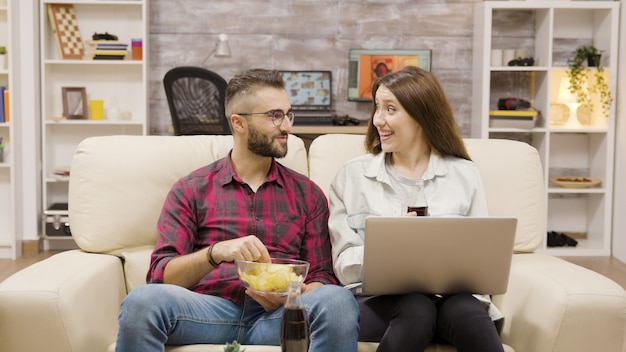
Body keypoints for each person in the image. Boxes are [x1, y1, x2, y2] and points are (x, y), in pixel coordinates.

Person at [116, 68, 359, 352]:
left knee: (338, 301)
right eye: (274, 116)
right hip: (208, 313)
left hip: (280, 317)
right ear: (239, 123)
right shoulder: (192, 189)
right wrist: (216, 252)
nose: (287, 127)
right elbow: (160, 276)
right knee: (141, 302)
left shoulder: (308, 195)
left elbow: (322, 277)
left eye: (288, 114)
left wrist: (296, 294)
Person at [328, 66, 505, 352]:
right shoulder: (352, 176)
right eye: (377, 108)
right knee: (417, 308)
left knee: (468, 313)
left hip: (450, 298)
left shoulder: (464, 173)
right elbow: (344, 265)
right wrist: (390, 245)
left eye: (390, 109)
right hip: (376, 300)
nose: (378, 120)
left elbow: (480, 260)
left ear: (422, 115)